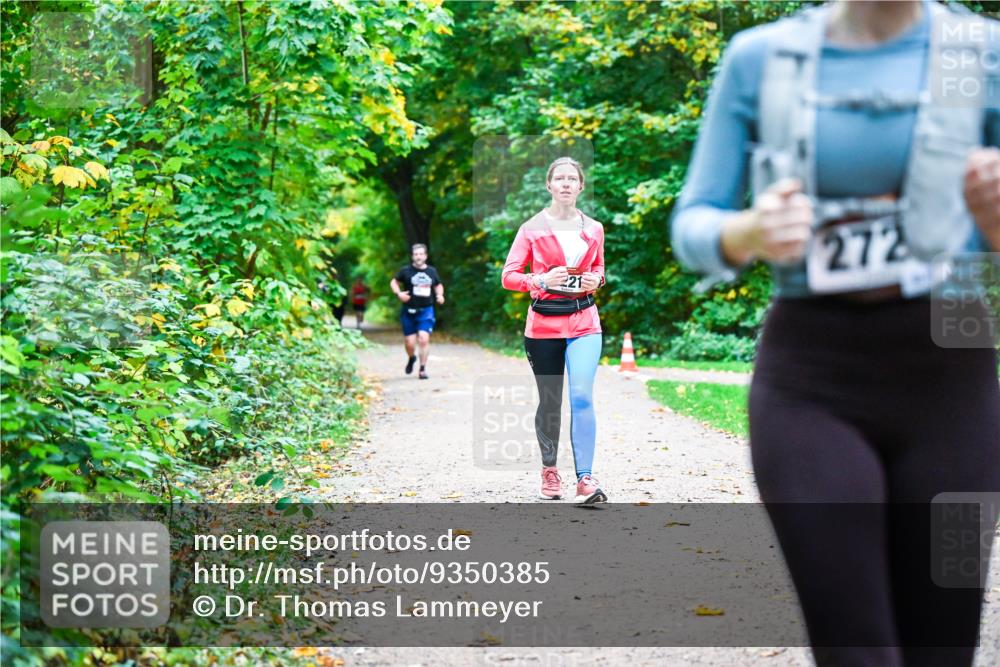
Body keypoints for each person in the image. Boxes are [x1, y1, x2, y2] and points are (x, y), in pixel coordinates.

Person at [671, 1, 1000, 665]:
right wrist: (747, 232)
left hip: (951, 367)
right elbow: (692, 223)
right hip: (811, 379)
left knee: (942, 650)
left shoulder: (983, 54)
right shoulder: (762, 58)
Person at [501, 157, 609, 505]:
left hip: (584, 321)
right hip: (544, 324)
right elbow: (509, 276)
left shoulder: (594, 228)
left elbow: (599, 268)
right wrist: (539, 280)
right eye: (558, 178)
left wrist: (598, 279)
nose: (565, 183)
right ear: (549, 186)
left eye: (571, 178)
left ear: (580, 186)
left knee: (581, 395)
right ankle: (550, 470)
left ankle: (586, 479)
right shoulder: (530, 228)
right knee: (550, 400)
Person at [390, 244, 444, 380]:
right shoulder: (406, 271)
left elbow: (438, 285)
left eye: (421, 254)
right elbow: (394, 282)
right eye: (416, 254)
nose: (418, 257)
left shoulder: (432, 271)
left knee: (424, 339)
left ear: (425, 256)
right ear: (412, 256)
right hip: (408, 310)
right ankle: (411, 357)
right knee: (409, 342)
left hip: (426, 310)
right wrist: (399, 294)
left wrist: (440, 295)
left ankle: (422, 369)